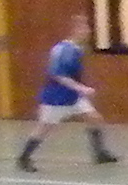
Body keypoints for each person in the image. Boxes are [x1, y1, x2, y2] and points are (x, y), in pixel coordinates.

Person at [16, 13, 118, 172]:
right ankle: (24, 157)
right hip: (56, 97)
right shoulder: (63, 49)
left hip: (73, 97)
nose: (88, 31)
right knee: (44, 128)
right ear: (75, 30)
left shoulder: (78, 49)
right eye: (84, 27)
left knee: (94, 118)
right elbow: (58, 75)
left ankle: (99, 153)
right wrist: (81, 88)